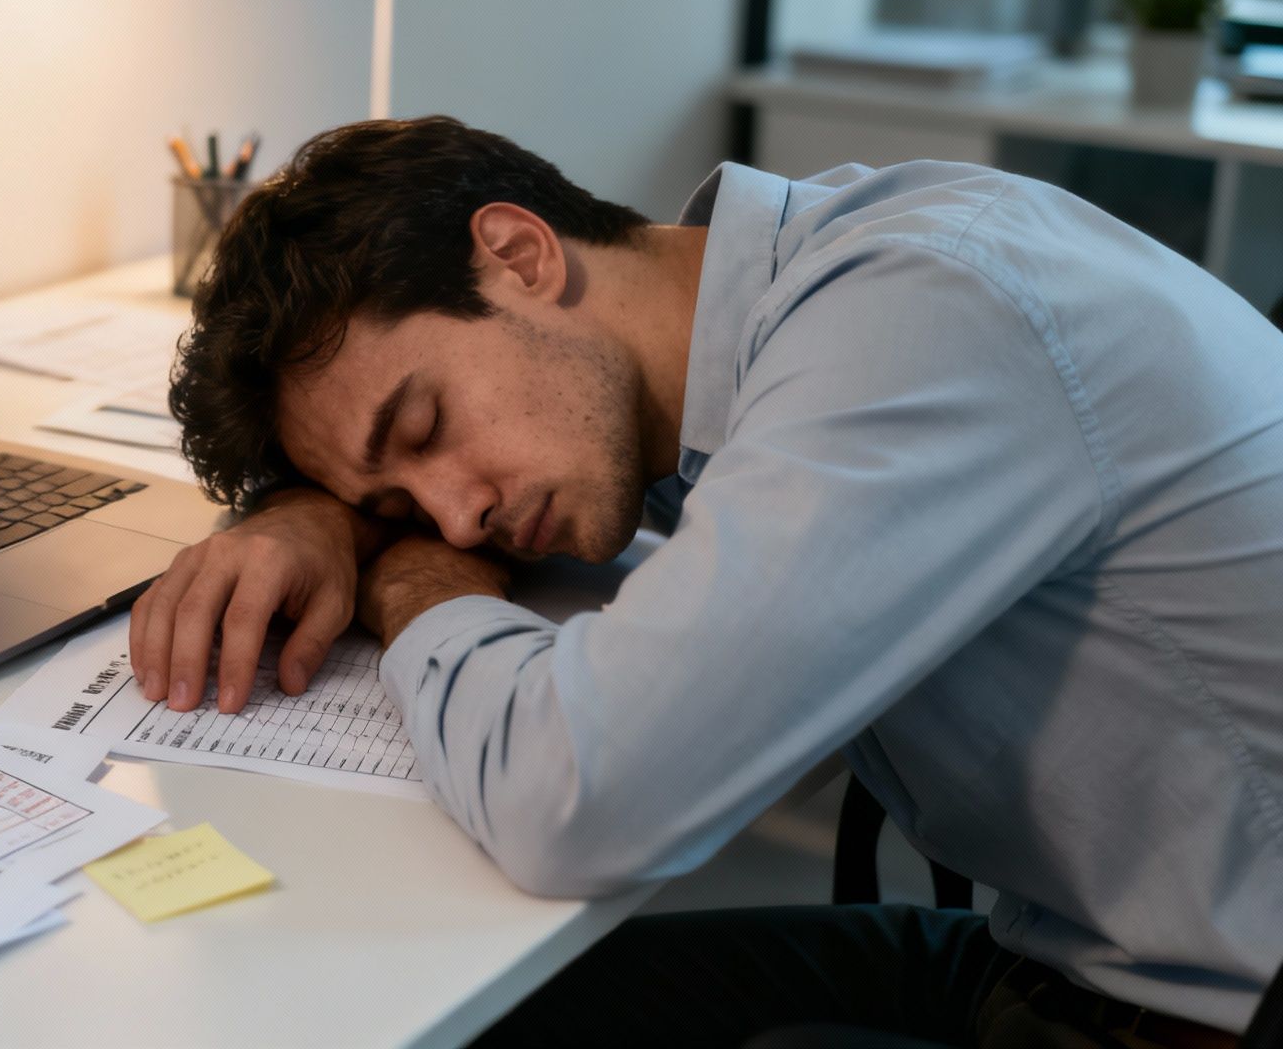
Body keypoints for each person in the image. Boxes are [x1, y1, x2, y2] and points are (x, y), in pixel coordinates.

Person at [127, 116, 1283, 1046]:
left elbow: (582, 800)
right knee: (476, 1011)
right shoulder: (780, 303)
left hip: (1198, 1011)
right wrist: (309, 517)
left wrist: (413, 583)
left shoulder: (920, 316)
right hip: (1086, 944)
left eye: (424, 425)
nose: (457, 511)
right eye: (396, 503)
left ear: (519, 255)